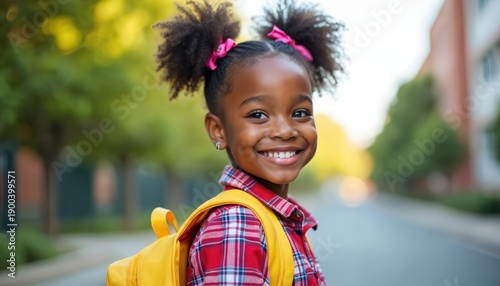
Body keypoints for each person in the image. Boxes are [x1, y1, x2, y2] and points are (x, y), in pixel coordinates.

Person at [153, 0, 344, 285]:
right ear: (218, 130)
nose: (284, 130)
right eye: (258, 114)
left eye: (300, 112)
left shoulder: (273, 218)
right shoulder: (238, 225)